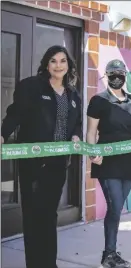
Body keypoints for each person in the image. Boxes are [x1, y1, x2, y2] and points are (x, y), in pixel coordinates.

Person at [1, 45, 82, 268]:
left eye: (63, 61)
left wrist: (75, 136)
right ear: (46, 64)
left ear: (68, 65)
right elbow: (15, 113)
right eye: (53, 61)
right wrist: (2, 134)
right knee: (34, 215)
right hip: (33, 164)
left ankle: (48, 263)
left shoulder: (72, 94)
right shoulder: (32, 87)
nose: (58, 65)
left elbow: (76, 123)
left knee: (49, 215)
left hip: (58, 164)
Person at [86, 59, 131, 268]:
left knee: (116, 209)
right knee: (115, 205)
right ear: (107, 75)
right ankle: (108, 254)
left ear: (125, 75)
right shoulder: (98, 100)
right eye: (112, 73)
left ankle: (111, 252)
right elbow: (91, 132)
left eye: (120, 73)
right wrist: (92, 153)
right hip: (106, 161)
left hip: (128, 161)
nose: (117, 77)